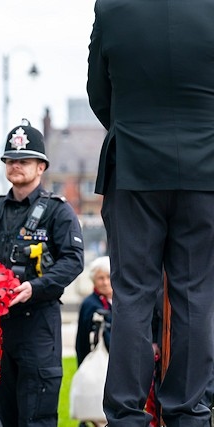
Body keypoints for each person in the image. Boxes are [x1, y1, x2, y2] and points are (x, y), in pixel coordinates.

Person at [87, 1, 214, 424]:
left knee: (133, 294)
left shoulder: (112, 8)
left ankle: (126, 412)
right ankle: (189, 411)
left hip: (135, 169)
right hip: (204, 169)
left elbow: (98, 94)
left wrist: (133, 128)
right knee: (195, 295)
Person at [0, 119, 84, 427]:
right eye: (11, 160)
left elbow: (73, 260)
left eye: (24, 160)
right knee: (5, 416)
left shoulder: (58, 211)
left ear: (41, 166)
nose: (16, 166)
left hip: (38, 324)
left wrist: (37, 286)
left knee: (37, 417)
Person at [75, 255, 112, 367]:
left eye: (109, 277)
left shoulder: (121, 302)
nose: (105, 282)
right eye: (100, 278)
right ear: (94, 280)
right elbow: (82, 340)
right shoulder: (90, 304)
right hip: (97, 361)